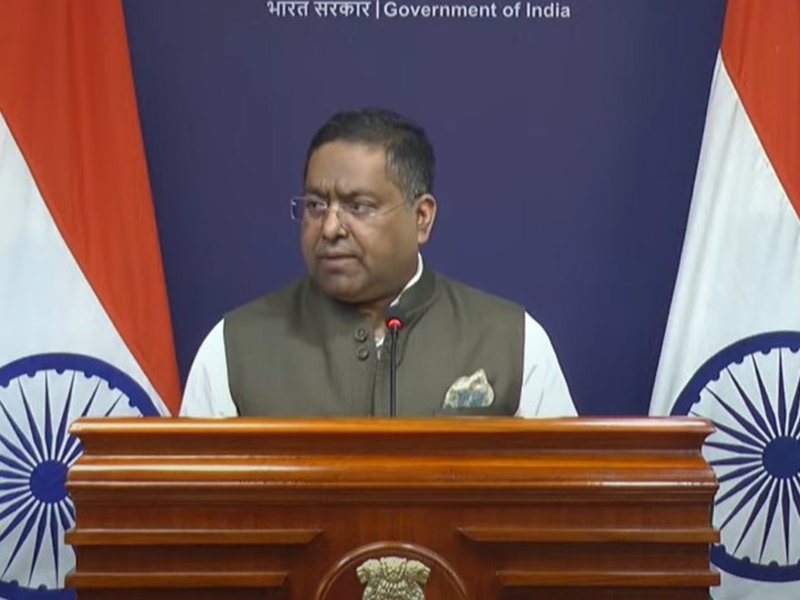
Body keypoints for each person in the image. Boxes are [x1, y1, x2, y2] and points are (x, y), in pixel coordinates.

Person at [181, 108, 576, 418]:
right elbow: (192, 494)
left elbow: (563, 491)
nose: (330, 227)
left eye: (359, 207)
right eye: (316, 205)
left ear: (421, 218)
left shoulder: (512, 340)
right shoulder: (234, 347)